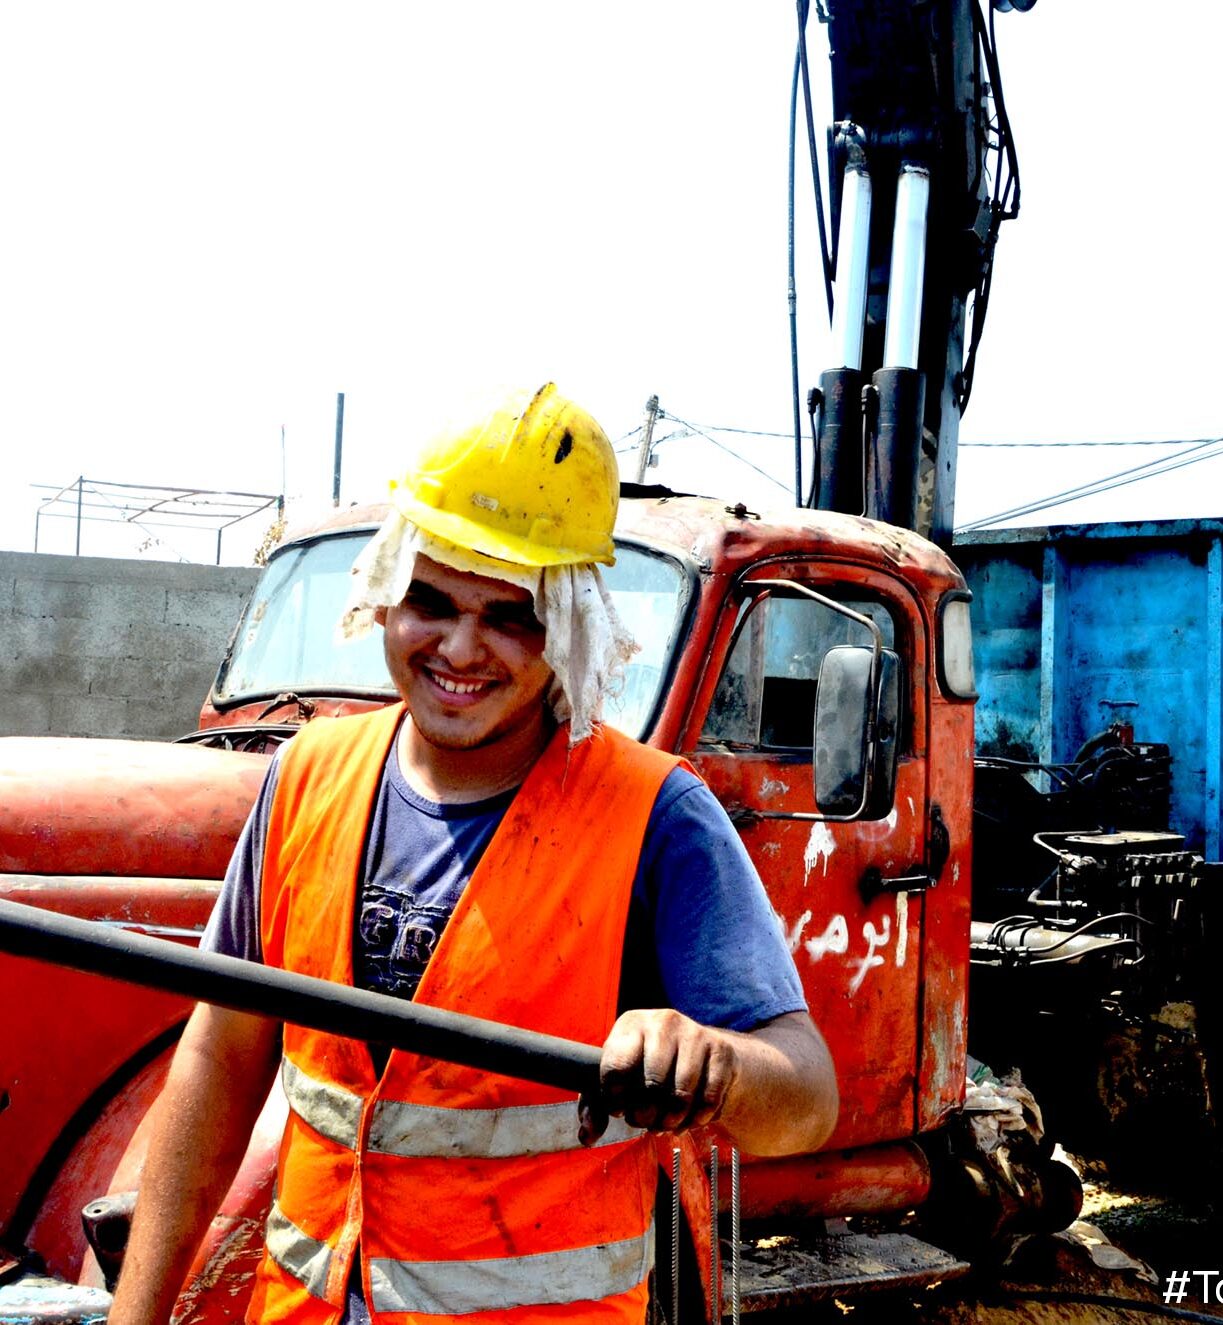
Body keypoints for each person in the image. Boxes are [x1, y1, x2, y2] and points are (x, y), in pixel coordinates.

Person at [109, 384, 838, 1325]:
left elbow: (806, 1098)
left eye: (510, 615)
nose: (460, 647)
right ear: (385, 597)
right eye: (432, 601)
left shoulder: (654, 816)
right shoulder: (306, 779)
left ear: (566, 627)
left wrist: (714, 1059)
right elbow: (217, 1061)